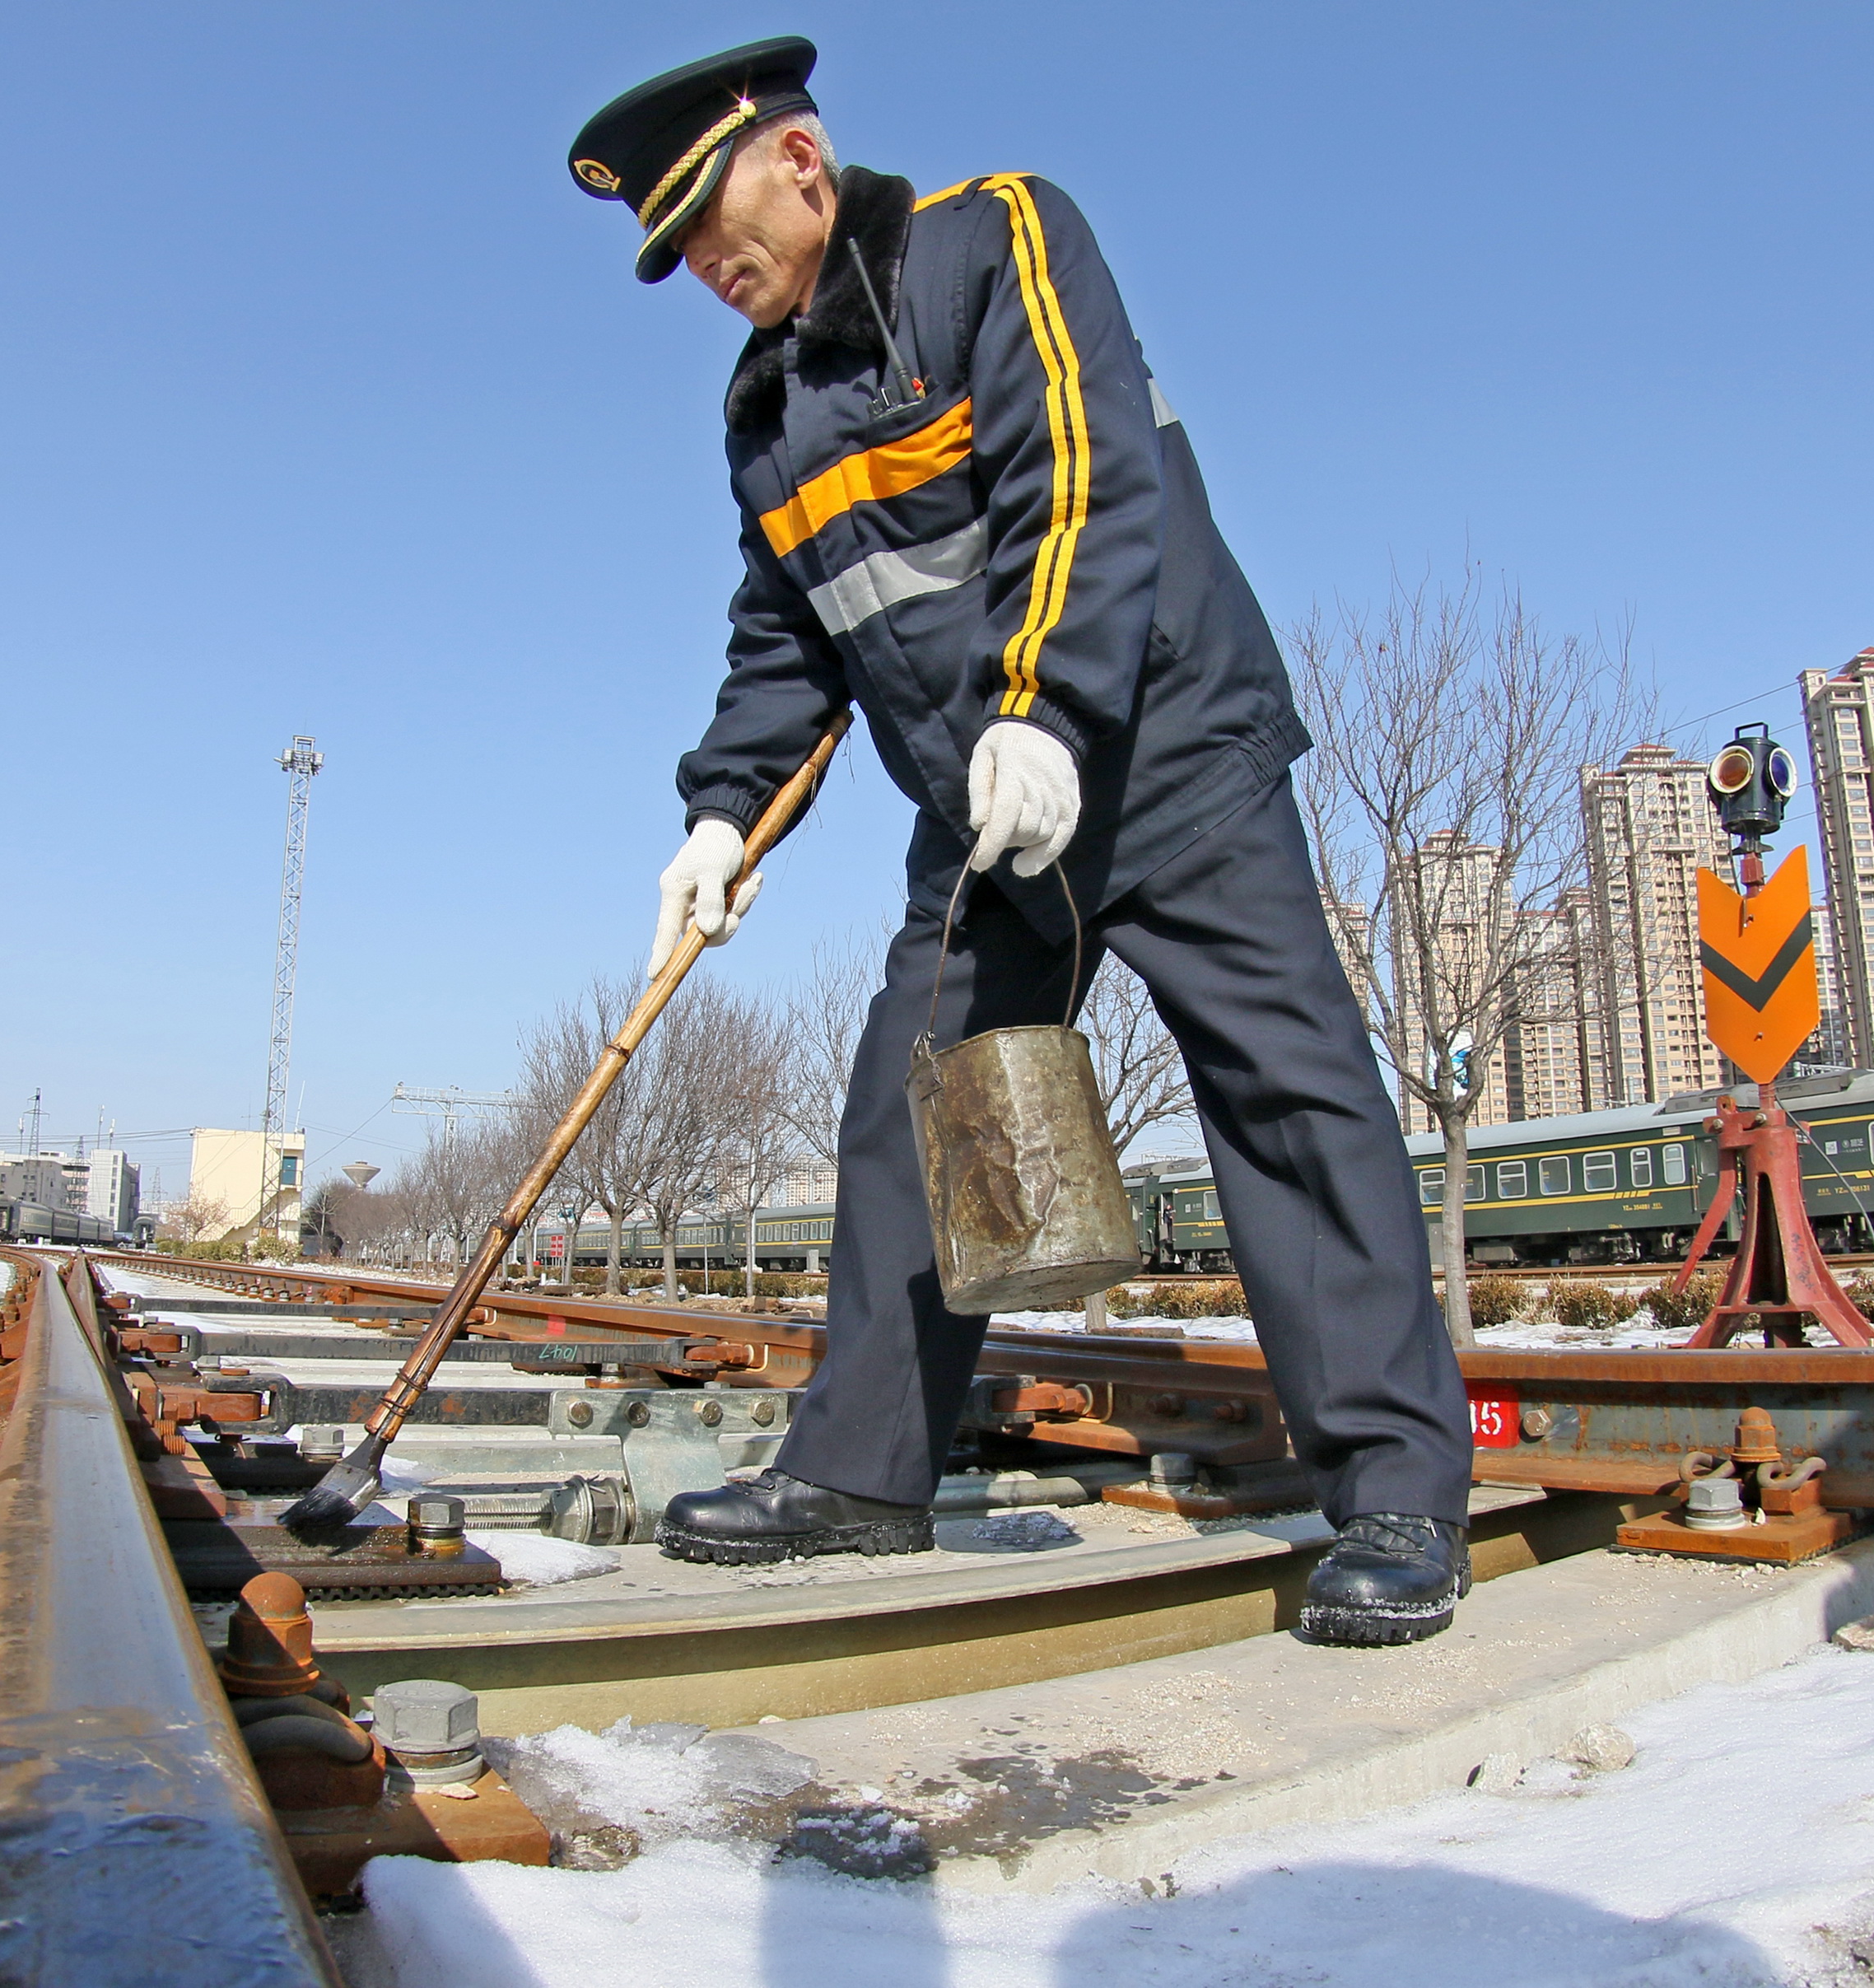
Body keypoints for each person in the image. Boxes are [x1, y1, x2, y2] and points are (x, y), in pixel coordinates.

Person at [567, 38, 1475, 1644]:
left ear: (798, 158)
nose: (710, 266)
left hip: (1163, 747)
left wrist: (1044, 705)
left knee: (1284, 1093)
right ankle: (862, 1476)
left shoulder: (989, 239)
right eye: (682, 255)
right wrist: (720, 810)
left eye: (716, 222)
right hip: (980, 813)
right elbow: (787, 634)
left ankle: (1395, 1487)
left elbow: (1087, 474)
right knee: (927, 1111)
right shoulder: (763, 410)